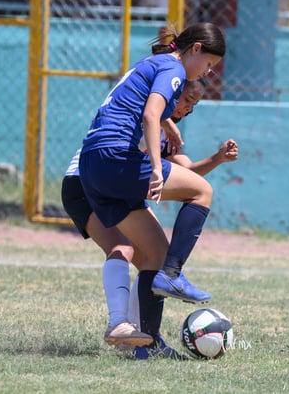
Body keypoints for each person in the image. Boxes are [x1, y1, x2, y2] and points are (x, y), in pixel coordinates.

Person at [78, 22, 225, 356]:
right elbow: (150, 113)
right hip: (116, 157)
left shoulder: (155, 63)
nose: (207, 71)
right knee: (201, 192)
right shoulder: (172, 66)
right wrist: (158, 167)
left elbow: (147, 110)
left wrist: (168, 127)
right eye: (208, 64)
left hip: (92, 167)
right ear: (196, 49)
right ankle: (173, 275)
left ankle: (148, 345)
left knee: (155, 251)